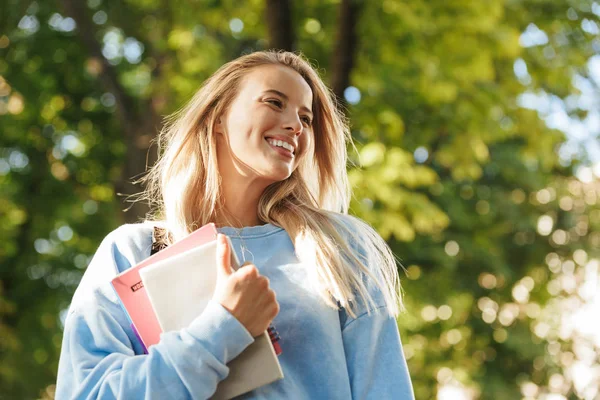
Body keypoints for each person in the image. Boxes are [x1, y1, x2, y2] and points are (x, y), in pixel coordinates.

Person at [56, 50, 415, 399]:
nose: (295, 126)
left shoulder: (336, 247)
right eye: (274, 102)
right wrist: (223, 328)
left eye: (306, 119)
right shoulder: (132, 251)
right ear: (217, 118)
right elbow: (87, 393)